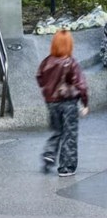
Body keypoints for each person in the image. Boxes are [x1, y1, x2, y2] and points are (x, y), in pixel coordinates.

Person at [36, 30, 89, 177]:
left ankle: (49, 154)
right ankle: (66, 167)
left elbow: (40, 77)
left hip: (51, 103)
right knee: (69, 134)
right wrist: (85, 103)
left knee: (57, 131)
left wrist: (48, 91)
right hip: (68, 103)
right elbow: (81, 85)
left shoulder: (47, 61)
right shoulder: (71, 62)